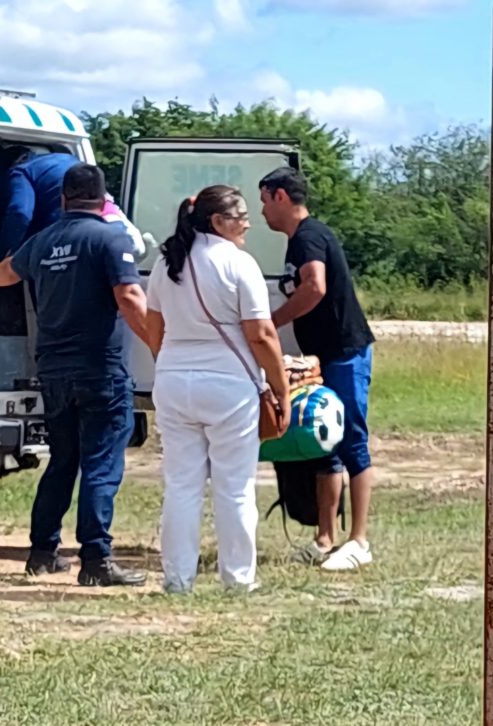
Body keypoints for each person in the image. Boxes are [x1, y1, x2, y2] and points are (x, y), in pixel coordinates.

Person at [0, 163, 150, 587]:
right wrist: (162, 345)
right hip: (99, 370)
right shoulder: (112, 238)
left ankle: (42, 552)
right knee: (102, 465)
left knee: (62, 463)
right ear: (104, 200)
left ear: (64, 199)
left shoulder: (42, 241)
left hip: (53, 371)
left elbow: (4, 274)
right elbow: (127, 294)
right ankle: (96, 560)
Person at [145, 185, 290, 594]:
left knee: (181, 485)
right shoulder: (238, 263)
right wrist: (281, 389)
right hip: (229, 385)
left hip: (174, 381)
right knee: (235, 486)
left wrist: (171, 363)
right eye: (240, 215)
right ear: (217, 222)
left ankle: (177, 580)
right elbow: (261, 335)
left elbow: (154, 328)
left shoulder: (166, 263)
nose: (247, 222)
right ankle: (239, 580)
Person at [259, 167, 376, 571]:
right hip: (320, 357)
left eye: (263, 200)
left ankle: (359, 541)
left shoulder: (310, 236)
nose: (260, 211)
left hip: (344, 351)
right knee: (322, 442)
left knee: (352, 441)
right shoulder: (296, 241)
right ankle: (325, 538)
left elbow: (315, 286)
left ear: (280, 197)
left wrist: (272, 322)